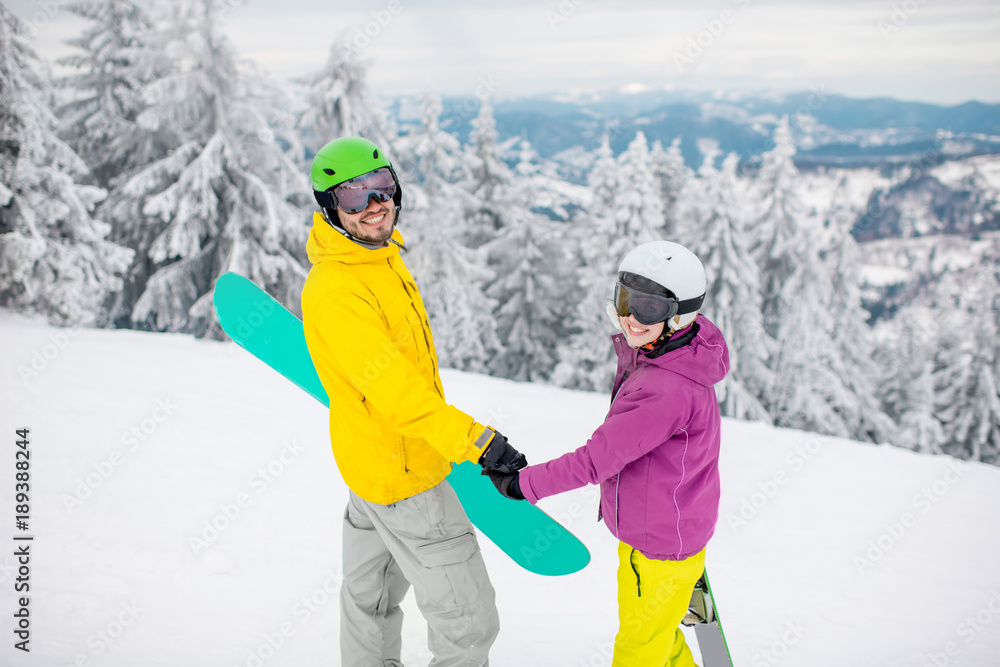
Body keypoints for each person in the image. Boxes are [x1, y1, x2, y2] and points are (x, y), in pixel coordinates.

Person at [301, 136, 526, 667]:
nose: (373, 205)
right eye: (354, 197)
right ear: (331, 209)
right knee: (468, 622)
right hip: (408, 478)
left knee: (369, 602)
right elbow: (398, 394)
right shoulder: (340, 288)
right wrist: (480, 445)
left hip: (371, 474)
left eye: (381, 188)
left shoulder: (375, 259)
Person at [486, 241, 730, 667]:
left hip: (656, 548)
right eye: (626, 299)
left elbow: (596, 460)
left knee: (637, 653)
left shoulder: (665, 388)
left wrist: (523, 485)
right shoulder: (682, 352)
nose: (632, 317)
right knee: (653, 636)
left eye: (649, 308)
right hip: (669, 532)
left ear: (679, 316)